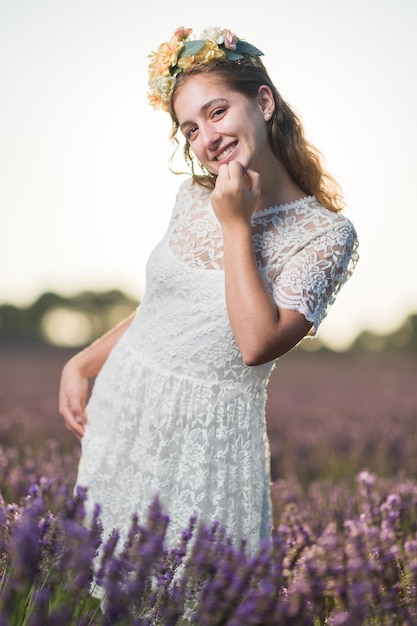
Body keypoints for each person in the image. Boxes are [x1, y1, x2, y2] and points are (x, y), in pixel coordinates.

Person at [59, 26, 359, 555]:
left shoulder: (326, 235)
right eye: (190, 128)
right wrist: (84, 362)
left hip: (209, 442)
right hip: (126, 412)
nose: (206, 138)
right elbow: (167, 309)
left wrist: (237, 225)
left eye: (217, 112)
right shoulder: (191, 196)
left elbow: (255, 343)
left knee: (199, 593)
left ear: (263, 101)